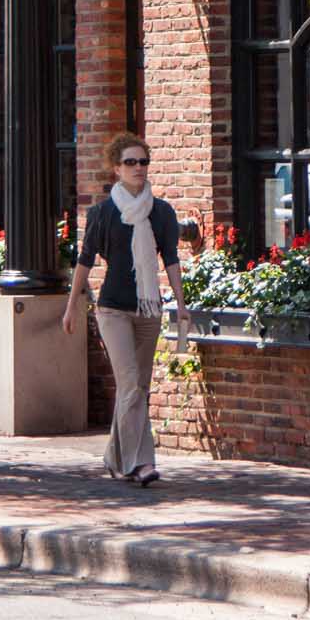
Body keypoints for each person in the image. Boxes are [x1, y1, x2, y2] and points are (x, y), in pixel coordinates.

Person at [61, 133, 189, 487]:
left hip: (149, 309)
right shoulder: (103, 213)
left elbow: (172, 260)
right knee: (130, 384)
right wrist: (72, 306)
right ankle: (143, 463)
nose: (138, 168)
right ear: (116, 168)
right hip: (113, 310)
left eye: (143, 162)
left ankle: (116, 459)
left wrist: (180, 304)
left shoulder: (161, 212)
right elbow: (85, 262)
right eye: (130, 162)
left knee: (138, 388)